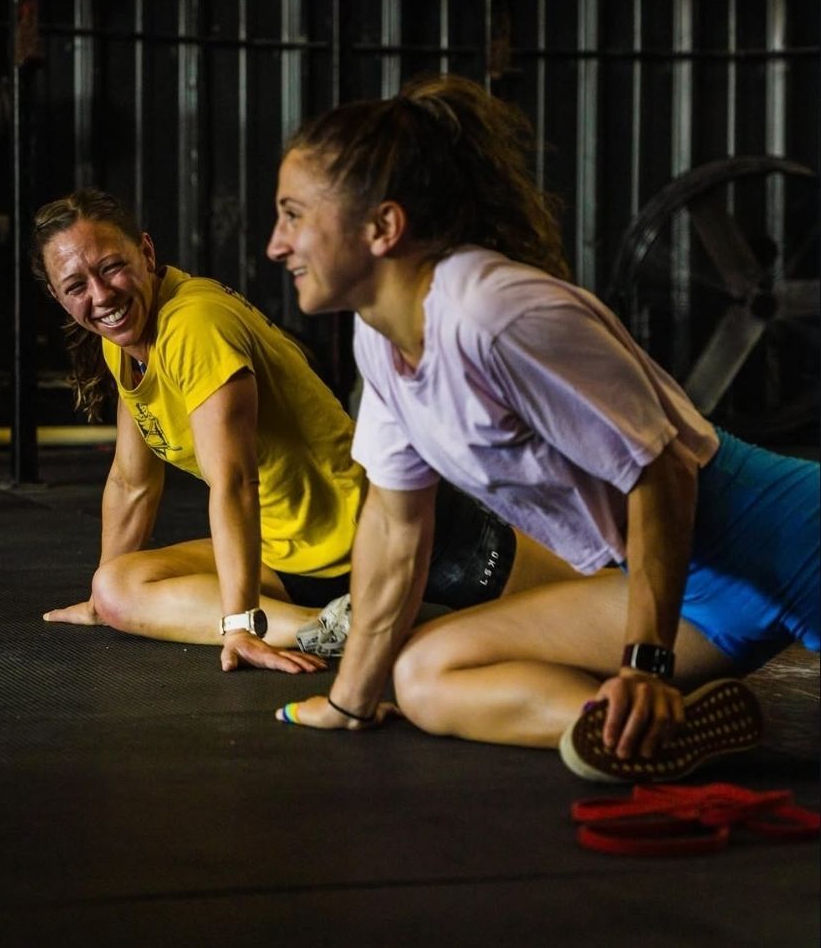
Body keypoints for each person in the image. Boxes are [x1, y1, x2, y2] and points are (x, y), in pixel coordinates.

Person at [266, 74, 819, 781]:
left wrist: (644, 665)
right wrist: (353, 700)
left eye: (292, 215)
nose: (276, 246)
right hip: (681, 588)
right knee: (428, 676)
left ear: (382, 226)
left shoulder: (494, 315)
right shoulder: (380, 339)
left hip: (790, 540)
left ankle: (646, 701)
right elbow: (396, 524)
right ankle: (656, 733)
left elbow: (663, 471)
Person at [30, 188, 557, 676]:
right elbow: (132, 482)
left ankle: (371, 620)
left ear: (146, 253)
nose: (100, 294)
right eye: (76, 285)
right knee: (118, 588)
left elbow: (234, 481)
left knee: (608, 611)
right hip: (290, 559)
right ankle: (327, 629)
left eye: (112, 267)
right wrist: (101, 607)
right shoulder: (120, 340)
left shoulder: (194, 325)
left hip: (392, 533)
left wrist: (239, 622)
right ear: (57, 296)